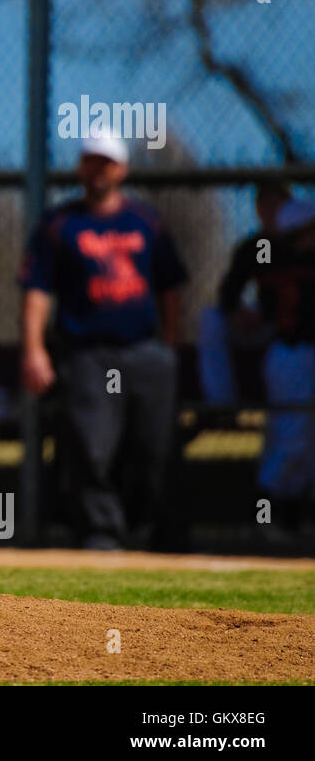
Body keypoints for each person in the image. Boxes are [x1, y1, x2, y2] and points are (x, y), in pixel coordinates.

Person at [18, 130, 189, 550]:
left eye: (106, 162)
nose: (98, 170)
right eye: (91, 161)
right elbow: (37, 290)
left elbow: (170, 285)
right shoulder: (59, 224)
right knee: (91, 448)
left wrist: (168, 343)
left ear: (122, 168)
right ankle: (101, 533)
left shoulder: (145, 221)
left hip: (145, 350)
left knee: (156, 447)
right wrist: (34, 349)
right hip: (87, 353)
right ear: (80, 167)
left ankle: (161, 531)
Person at [202, 182, 315, 527]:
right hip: (292, 352)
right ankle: (266, 517)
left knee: (303, 444)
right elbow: (228, 297)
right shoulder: (265, 250)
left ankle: (288, 521)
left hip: (293, 351)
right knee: (291, 438)